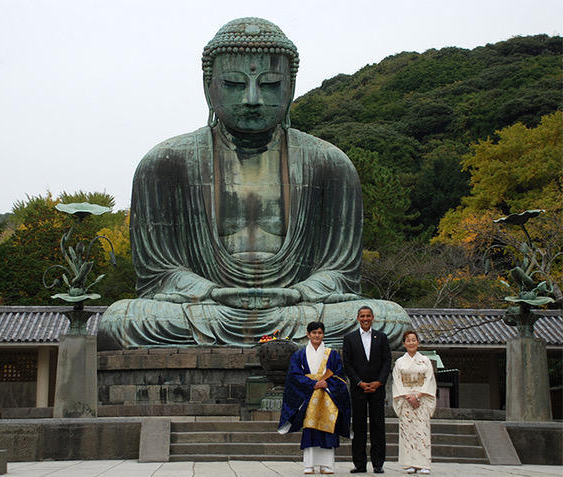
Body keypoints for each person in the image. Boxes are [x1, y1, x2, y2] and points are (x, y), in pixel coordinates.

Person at [98, 17, 412, 350]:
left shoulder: (329, 164)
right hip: (209, 308)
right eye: (234, 83)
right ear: (208, 87)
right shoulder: (165, 163)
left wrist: (298, 292)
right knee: (121, 320)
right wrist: (211, 291)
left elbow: (340, 273)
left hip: (298, 308)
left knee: (391, 320)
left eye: (270, 84)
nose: (252, 98)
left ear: (290, 88)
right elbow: (160, 273)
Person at [279, 321, 351, 474]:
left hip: (328, 396)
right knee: (310, 428)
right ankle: (309, 465)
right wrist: (312, 384)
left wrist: (327, 383)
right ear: (308, 334)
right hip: (309, 395)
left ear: (323, 334)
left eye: (320, 333)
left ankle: (327, 465)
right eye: (314, 333)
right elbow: (294, 376)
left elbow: (339, 375)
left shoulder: (332, 354)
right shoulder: (300, 354)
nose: (317, 335)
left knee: (328, 428)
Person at [342, 306, 391, 474]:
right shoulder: (349, 338)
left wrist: (379, 382)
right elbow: (347, 364)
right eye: (362, 316)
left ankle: (378, 463)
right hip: (358, 389)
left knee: (378, 425)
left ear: (372, 318)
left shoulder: (381, 337)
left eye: (368, 316)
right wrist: (359, 382)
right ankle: (359, 463)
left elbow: (387, 361)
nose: (365, 319)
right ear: (357, 318)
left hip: (377, 388)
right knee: (358, 426)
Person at [392, 330, 437, 474]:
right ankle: (409, 463)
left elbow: (429, 379)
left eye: (413, 340)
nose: (411, 343)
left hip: (421, 399)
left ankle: (424, 464)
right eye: (408, 340)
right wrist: (408, 396)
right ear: (404, 344)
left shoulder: (425, 360)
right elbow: (397, 381)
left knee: (422, 431)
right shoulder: (400, 362)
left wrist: (418, 395)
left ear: (418, 342)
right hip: (406, 399)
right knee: (407, 431)